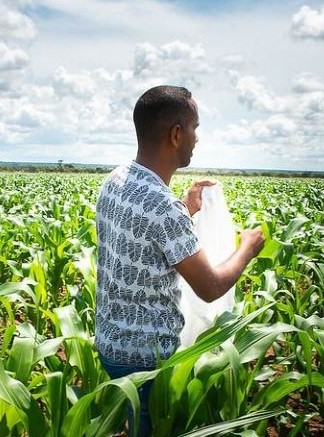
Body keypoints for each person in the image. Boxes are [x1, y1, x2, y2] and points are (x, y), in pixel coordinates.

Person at [94, 85, 265, 437]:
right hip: (147, 363)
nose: (196, 138)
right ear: (176, 134)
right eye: (195, 128)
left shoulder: (114, 180)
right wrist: (247, 247)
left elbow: (143, 237)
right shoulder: (164, 207)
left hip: (111, 344)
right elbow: (209, 286)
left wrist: (187, 208)